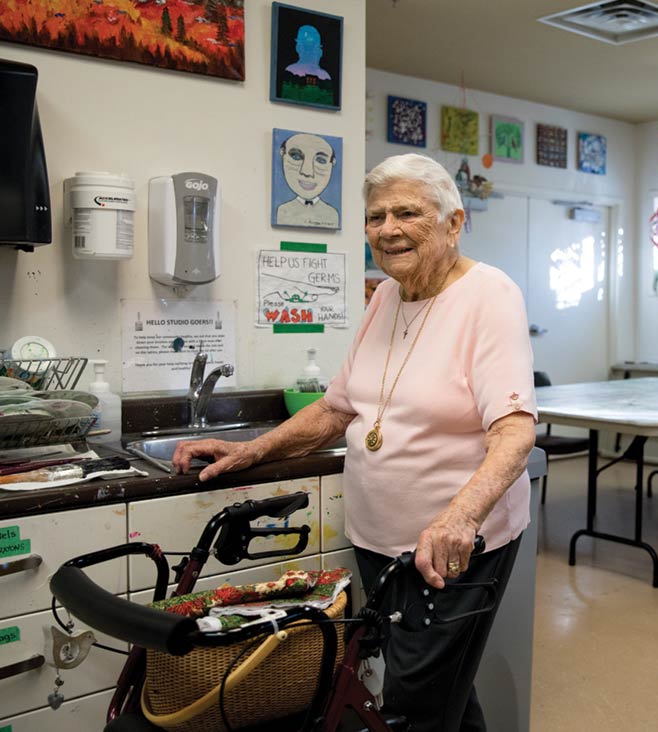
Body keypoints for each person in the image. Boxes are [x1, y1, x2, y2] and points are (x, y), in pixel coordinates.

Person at [173, 152, 537, 731]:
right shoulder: (386, 297)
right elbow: (337, 408)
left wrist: (459, 518)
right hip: (380, 540)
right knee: (437, 691)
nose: (388, 229)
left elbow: (516, 431)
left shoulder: (489, 296)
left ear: (453, 222)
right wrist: (252, 450)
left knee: (413, 703)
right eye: (375, 217)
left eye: (407, 213)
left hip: (452, 548)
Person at [275, 131, 341, 229]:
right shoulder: (282, 211)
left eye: (321, 161)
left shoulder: (332, 214)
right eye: (296, 157)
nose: (307, 172)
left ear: (332, 163)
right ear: (282, 154)